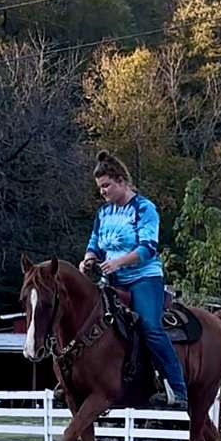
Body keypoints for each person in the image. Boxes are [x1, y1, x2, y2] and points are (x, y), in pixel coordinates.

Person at [79, 150, 188, 410]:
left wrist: (119, 261)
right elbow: (94, 242)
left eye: (106, 185)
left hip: (143, 278)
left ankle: (178, 389)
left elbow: (148, 247)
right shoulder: (103, 213)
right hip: (111, 281)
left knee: (150, 326)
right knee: (87, 322)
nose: (103, 191)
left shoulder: (144, 208)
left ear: (121, 181)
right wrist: (89, 258)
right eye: (100, 187)